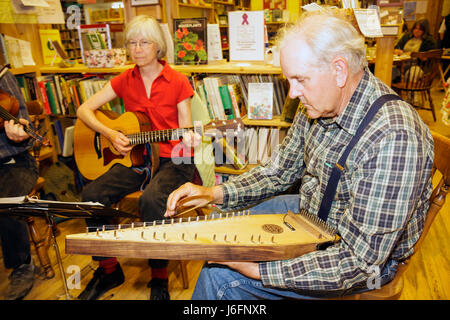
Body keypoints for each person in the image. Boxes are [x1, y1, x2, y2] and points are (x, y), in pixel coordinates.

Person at [165, 10, 435, 300]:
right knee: (224, 223)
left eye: (300, 79)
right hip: (316, 215)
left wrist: (259, 270)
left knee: (220, 278)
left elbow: (359, 262)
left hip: (356, 260)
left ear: (339, 70)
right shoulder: (319, 105)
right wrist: (213, 193)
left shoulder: (394, 137)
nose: (292, 93)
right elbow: (279, 171)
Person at [76, 15, 200, 300]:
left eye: (144, 42)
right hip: (136, 159)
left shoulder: (178, 82)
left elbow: (186, 129)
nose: (137, 48)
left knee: (151, 199)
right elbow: (85, 110)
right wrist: (109, 133)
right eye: (132, 43)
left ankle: (159, 277)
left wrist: (190, 137)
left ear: (158, 46)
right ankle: (108, 271)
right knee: (91, 194)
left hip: (174, 160)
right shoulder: (124, 80)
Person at [0, 67, 39, 300]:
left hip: (13, 160)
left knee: (5, 202)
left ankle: (22, 264)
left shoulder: (3, 77)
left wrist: (19, 133)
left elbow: (26, 127)